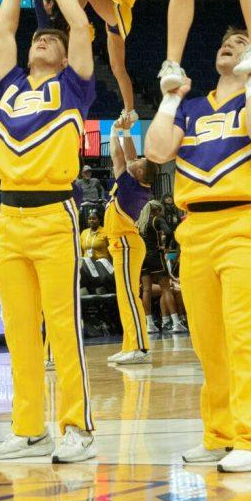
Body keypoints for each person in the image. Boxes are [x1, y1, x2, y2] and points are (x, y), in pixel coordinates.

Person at [146, 28, 251, 473]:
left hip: (242, 221)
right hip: (195, 228)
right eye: (224, 41)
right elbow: (155, 151)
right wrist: (169, 99)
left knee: (242, 337)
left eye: (241, 41)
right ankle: (220, 434)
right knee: (207, 342)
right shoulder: (189, 108)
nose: (228, 43)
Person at [0, 0, 95, 463]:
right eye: (38, 38)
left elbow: (79, 23)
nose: (42, 39)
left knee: (63, 325)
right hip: (9, 219)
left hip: (55, 215)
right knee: (19, 332)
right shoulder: (9, 84)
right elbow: (3, 32)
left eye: (48, 37)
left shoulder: (74, 86)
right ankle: (29, 428)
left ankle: (77, 428)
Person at [104, 117, 157, 365]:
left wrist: (114, 131)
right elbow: (131, 157)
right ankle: (130, 345)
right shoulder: (138, 181)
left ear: (137, 172)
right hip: (122, 244)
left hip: (126, 243)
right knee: (124, 296)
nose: (134, 160)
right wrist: (127, 131)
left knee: (129, 296)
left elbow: (118, 157)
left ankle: (139, 347)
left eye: (137, 162)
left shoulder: (130, 188)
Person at [139, 200, 185, 336]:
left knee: (146, 290)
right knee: (166, 289)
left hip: (143, 258)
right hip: (156, 257)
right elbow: (169, 232)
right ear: (156, 210)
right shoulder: (157, 220)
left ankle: (150, 324)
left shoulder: (139, 223)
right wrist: (165, 247)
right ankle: (176, 322)